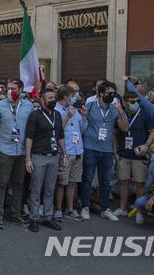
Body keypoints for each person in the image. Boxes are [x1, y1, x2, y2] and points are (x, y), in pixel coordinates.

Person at [80, 80, 129, 221]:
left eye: (114, 93)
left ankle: (105, 208)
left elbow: (124, 128)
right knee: (88, 178)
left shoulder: (114, 108)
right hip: (90, 147)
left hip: (107, 149)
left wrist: (121, 112)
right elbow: (83, 125)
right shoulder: (90, 105)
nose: (112, 95)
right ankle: (85, 206)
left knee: (105, 180)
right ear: (101, 93)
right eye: (109, 93)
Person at [0, 79, 34, 229]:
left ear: (21, 90)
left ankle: (16, 214)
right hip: (4, 150)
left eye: (13, 89)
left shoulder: (28, 106)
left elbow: (31, 129)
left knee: (19, 184)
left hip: (22, 150)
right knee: (2, 183)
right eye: (8, 88)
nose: (10, 91)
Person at [25, 88, 67, 232]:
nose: (53, 100)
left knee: (50, 189)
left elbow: (60, 136)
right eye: (50, 98)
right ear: (42, 100)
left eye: (54, 97)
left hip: (54, 156)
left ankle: (48, 217)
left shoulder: (57, 115)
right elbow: (29, 138)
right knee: (36, 190)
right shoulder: (35, 116)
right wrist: (28, 158)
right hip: (38, 157)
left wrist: (64, 155)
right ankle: (34, 218)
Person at [113, 91, 154, 218]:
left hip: (139, 154)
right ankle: (122, 208)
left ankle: (139, 210)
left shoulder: (145, 114)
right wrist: (115, 151)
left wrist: (146, 145)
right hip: (123, 153)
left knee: (140, 183)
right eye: (132, 102)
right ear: (125, 103)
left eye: (138, 101)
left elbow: (152, 132)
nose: (136, 104)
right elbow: (115, 133)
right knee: (123, 181)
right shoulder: (120, 115)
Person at [54, 86, 87, 222]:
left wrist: (84, 115)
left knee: (72, 182)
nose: (75, 98)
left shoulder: (74, 110)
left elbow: (83, 128)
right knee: (61, 182)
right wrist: (67, 117)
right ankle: (57, 209)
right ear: (66, 96)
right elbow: (57, 130)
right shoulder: (56, 110)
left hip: (78, 150)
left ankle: (70, 209)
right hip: (65, 151)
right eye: (73, 95)